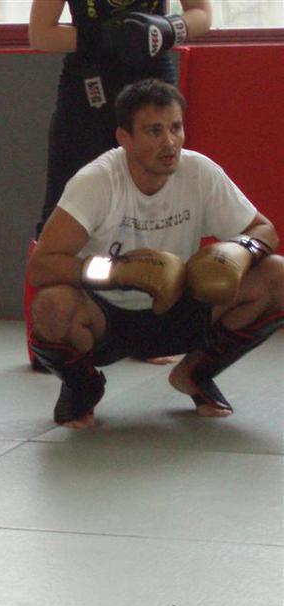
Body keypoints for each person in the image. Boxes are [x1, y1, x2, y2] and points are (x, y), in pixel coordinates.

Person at [27, 79, 282, 429]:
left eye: (176, 128)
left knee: (277, 276)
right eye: (154, 131)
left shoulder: (199, 172)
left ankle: (195, 373)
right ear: (124, 138)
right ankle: (83, 386)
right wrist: (116, 272)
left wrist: (240, 251)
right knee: (51, 307)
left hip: (182, 308)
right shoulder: (96, 182)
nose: (169, 142)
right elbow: (41, 266)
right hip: (107, 317)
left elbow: (264, 230)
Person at [25, 0, 212, 368]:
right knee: (62, 205)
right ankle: (50, 334)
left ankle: (154, 331)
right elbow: (40, 35)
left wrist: (165, 29)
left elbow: (202, 16)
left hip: (151, 78)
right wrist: (103, 37)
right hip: (89, 83)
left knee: (156, 197)